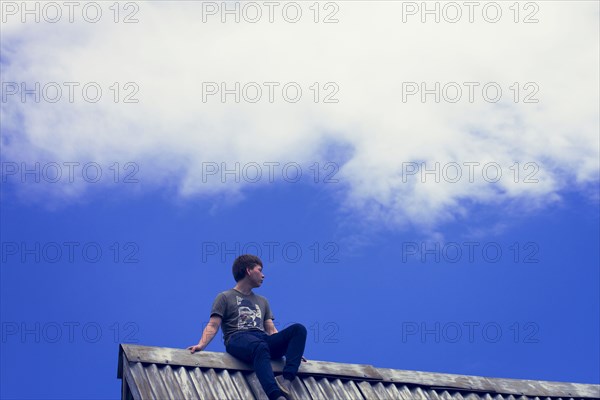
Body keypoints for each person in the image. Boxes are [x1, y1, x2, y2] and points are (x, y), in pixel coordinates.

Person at [187, 254, 307, 400]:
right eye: (260, 270)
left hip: (262, 338)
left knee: (298, 329)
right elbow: (213, 325)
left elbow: (271, 330)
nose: (263, 275)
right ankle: (275, 396)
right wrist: (201, 344)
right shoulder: (225, 297)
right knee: (260, 347)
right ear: (249, 271)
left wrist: (292, 349)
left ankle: (286, 380)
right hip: (237, 338)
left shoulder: (263, 301)